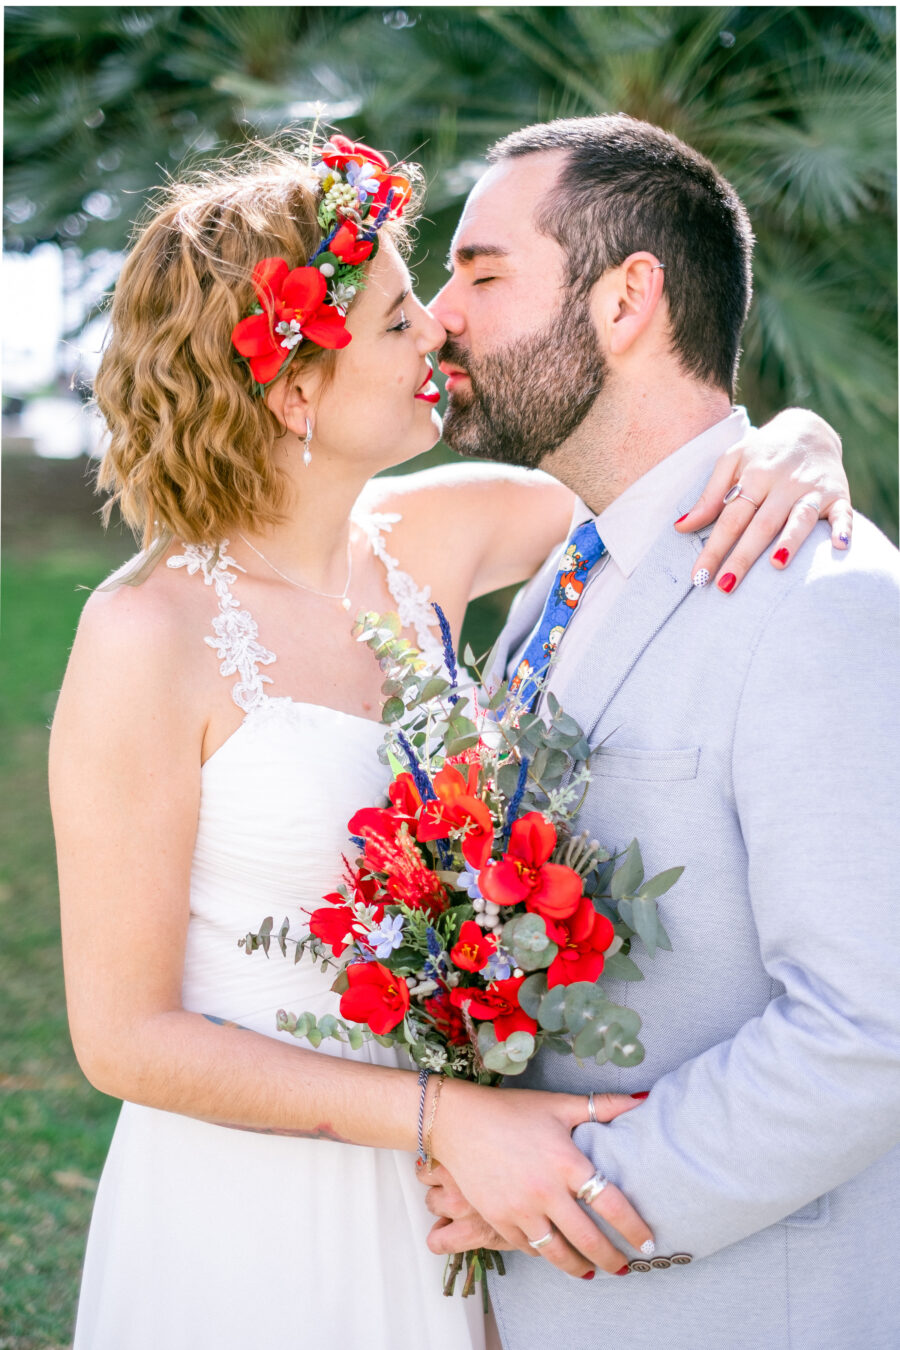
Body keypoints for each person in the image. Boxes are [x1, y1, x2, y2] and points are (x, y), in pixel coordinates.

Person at [49, 131, 853, 1350]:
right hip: (262, 1197)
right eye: (395, 317)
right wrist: (440, 1116)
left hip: (452, 1194)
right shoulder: (144, 634)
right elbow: (121, 1037)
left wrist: (800, 439)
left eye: (441, 295)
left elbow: (667, 469)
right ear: (293, 389)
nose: (436, 331)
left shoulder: (460, 527)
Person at [419, 114, 900, 1349]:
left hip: (728, 1305)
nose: (438, 316)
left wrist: (572, 1198)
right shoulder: (560, 574)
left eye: (480, 274)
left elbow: (871, 1023)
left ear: (629, 297)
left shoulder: (824, 596)